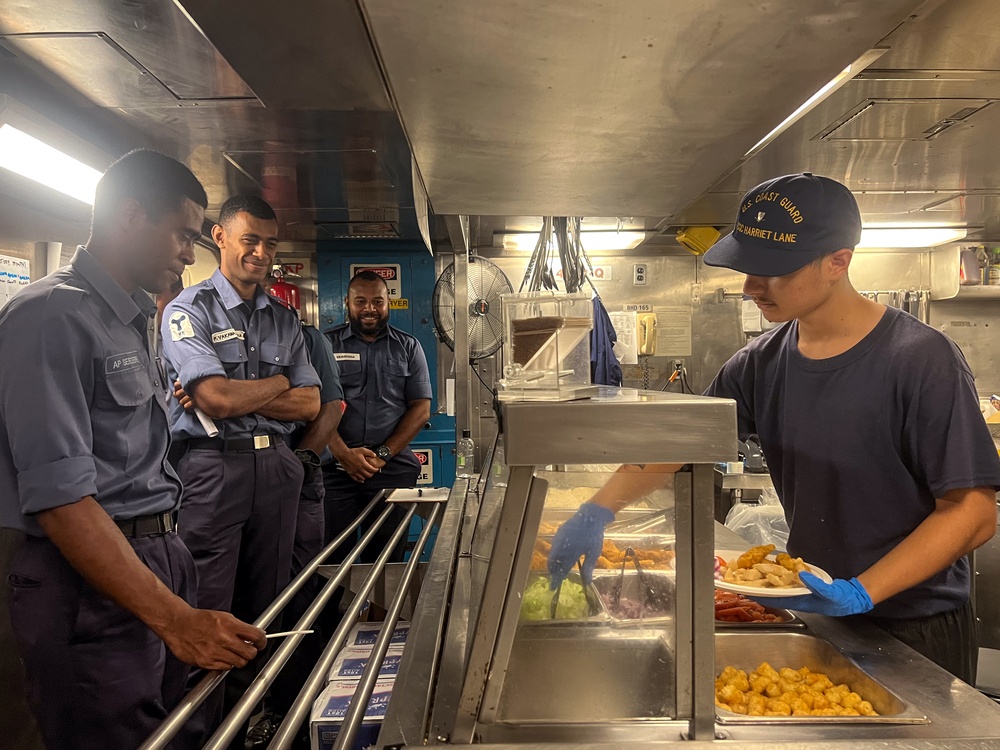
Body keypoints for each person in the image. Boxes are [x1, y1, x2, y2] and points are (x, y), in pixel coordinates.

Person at [548, 173, 1000, 683]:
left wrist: (864, 591)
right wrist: (598, 508)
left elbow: (974, 512)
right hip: (819, 614)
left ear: (839, 261)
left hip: (916, 625)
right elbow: (683, 442)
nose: (751, 287)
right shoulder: (761, 362)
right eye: (746, 268)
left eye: (773, 270)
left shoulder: (921, 360)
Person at [0, 149, 266, 750]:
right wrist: (174, 619)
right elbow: (62, 501)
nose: (187, 252)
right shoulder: (50, 317)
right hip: (88, 579)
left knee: (180, 730)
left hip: (160, 555)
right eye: (183, 234)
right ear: (128, 216)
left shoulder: (131, 317)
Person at [160, 195, 321, 740]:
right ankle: (201, 733)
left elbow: (310, 405)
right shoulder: (189, 310)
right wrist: (278, 384)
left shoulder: (283, 317)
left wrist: (242, 392)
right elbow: (216, 399)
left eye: (270, 243)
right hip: (212, 472)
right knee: (207, 611)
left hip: (274, 470)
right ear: (219, 237)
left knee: (266, 609)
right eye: (250, 239)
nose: (260, 252)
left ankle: (248, 725)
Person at [246, 284, 344, 750]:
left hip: (297, 480)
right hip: (240, 483)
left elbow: (326, 406)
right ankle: (251, 709)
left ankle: (300, 712)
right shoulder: (213, 342)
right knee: (249, 600)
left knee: (297, 594)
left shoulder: (308, 339)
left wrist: (304, 457)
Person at [323, 271, 432, 564]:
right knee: (329, 562)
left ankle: (379, 613)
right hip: (335, 472)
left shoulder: (408, 347)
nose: (369, 309)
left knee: (387, 562)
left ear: (388, 303)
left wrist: (383, 454)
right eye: (361, 301)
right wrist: (343, 454)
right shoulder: (325, 345)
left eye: (377, 301)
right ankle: (332, 612)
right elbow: (312, 406)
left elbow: (421, 408)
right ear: (347, 303)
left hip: (390, 470)